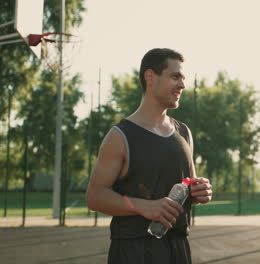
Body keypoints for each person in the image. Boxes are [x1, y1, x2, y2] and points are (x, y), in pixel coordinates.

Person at [86, 48, 212, 264]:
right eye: (175, 77)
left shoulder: (183, 132)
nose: (182, 85)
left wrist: (200, 191)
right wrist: (145, 206)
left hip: (178, 248)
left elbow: (187, 187)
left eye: (183, 79)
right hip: (133, 251)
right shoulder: (120, 136)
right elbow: (95, 196)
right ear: (150, 77)